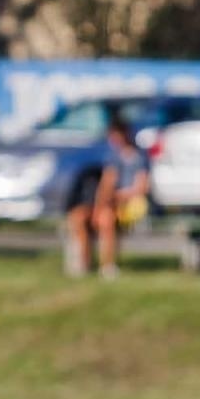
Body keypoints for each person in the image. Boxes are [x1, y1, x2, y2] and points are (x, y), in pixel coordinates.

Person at [86, 115, 149, 280]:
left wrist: (118, 196)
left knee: (107, 220)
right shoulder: (113, 157)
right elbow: (107, 185)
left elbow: (142, 186)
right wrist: (101, 205)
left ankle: (107, 265)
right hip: (116, 202)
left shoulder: (139, 157)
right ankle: (103, 265)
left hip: (134, 204)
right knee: (100, 219)